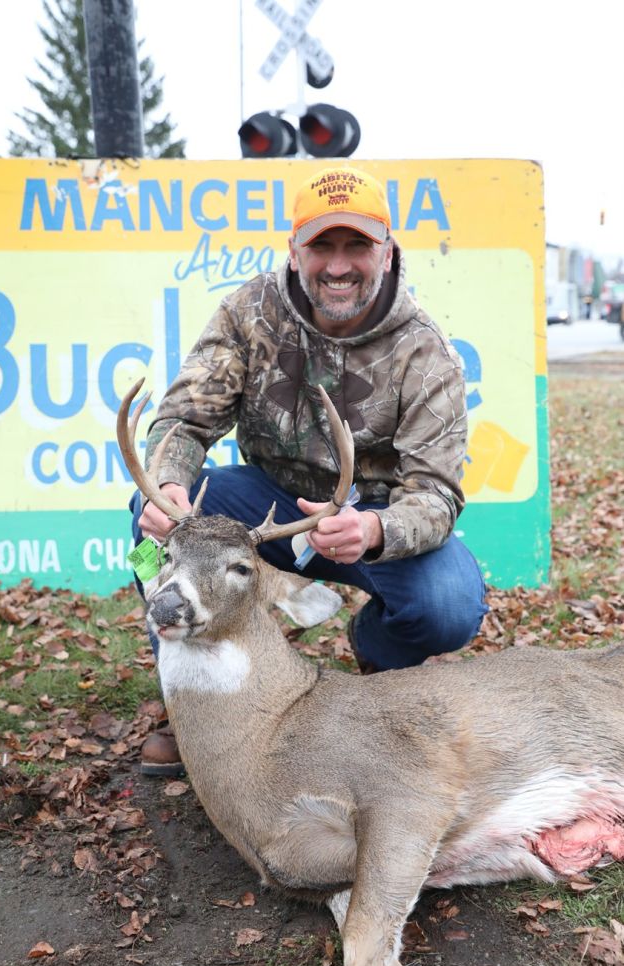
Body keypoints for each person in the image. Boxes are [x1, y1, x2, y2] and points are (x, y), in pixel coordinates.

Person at [131, 165, 488, 776]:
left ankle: (377, 656)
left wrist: (373, 530)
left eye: (357, 245)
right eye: (322, 245)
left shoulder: (427, 353)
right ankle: (192, 693)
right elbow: (184, 421)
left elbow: (436, 493)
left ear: (387, 252)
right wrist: (169, 487)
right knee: (148, 519)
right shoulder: (249, 313)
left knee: (449, 604)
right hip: (267, 504)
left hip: (370, 520)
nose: (338, 265)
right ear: (294, 252)